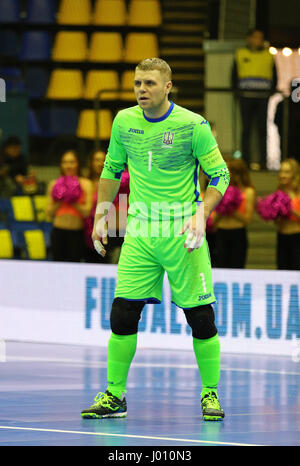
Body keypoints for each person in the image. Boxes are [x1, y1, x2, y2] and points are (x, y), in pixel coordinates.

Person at [81, 58, 230, 421]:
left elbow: (220, 174)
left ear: (168, 86)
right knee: (122, 313)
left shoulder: (193, 125)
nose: (141, 90)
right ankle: (114, 396)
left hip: (183, 234)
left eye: (149, 83)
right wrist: (102, 215)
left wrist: (202, 212)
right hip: (140, 233)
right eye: (137, 84)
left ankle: (209, 393)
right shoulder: (123, 121)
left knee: (200, 318)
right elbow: (111, 169)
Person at [232, 29, 277, 170]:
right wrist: (236, 91)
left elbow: (275, 75)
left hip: (262, 97)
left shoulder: (268, 55)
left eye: (261, 37)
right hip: (246, 97)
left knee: (262, 129)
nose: (258, 40)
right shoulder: (240, 54)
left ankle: (263, 162)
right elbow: (234, 74)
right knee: (246, 130)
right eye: (256, 37)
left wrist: (271, 91)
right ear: (248, 38)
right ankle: (245, 162)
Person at [46, 150, 93, 262]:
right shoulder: (54, 184)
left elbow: (87, 212)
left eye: (72, 162)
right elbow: (49, 212)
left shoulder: (86, 184)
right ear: (61, 165)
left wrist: (72, 199)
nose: (68, 166)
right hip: (58, 232)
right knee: (57, 267)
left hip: (76, 233)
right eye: (65, 162)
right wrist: (61, 198)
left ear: (78, 164)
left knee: (74, 267)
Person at [212, 158, 256, 268]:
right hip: (220, 234)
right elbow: (212, 220)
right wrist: (222, 208)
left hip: (238, 234)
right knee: (219, 266)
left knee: (237, 267)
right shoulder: (218, 189)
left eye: (227, 170)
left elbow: (247, 219)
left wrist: (231, 208)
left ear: (237, 173)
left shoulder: (248, 192)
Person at [275, 158, 300, 270]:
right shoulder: (279, 192)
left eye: (286, 172)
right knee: (282, 270)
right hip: (282, 237)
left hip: (297, 238)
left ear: (294, 174)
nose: (282, 175)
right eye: (281, 171)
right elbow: (277, 222)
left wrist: (290, 209)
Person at [84, 149, 107, 263]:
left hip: (108, 230)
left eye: (103, 160)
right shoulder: (84, 182)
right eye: (97, 160)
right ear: (91, 162)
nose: (100, 163)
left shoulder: (115, 183)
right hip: (86, 230)